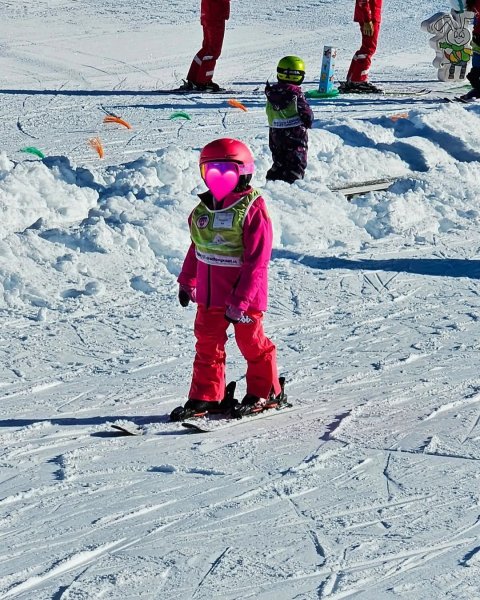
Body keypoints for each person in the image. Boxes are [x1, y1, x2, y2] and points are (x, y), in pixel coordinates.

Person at [170, 138, 285, 421]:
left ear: (243, 172)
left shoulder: (252, 209)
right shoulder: (204, 210)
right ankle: (207, 395)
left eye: (226, 171)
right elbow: (198, 246)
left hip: (243, 297)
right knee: (207, 344)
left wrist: (241, 301)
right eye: (210, 172)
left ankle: (265, 390)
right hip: (210, 295)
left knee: (251, 343)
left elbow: (258, 261)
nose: (217, 178)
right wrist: (187, 279)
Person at [264, 56, 314, 184]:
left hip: (275, 134)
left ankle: (274, 179)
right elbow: (307, 114)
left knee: (279, 159)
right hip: (295, 134)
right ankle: (293, 184)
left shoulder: (272, 93)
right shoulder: (296, 94)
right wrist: (308, 122)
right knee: (296, 162)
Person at [180, 0, 230, 92]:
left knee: (207, 48)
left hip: (208, 14)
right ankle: (204, 82)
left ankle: (194, 78)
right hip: (215, 15)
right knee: (214, 50)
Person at [340, 0, 383, 93]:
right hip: (370, 17)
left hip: (372, 15)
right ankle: (358, 80)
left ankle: (353, 78)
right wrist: (367, 19)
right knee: (369, 48)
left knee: (367, 47)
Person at [462, 0, 480, 100]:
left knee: (474, 74)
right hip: (477, 40)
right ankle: (477, 90)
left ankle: (478, 91)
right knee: (474, 74)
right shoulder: (473, 3)